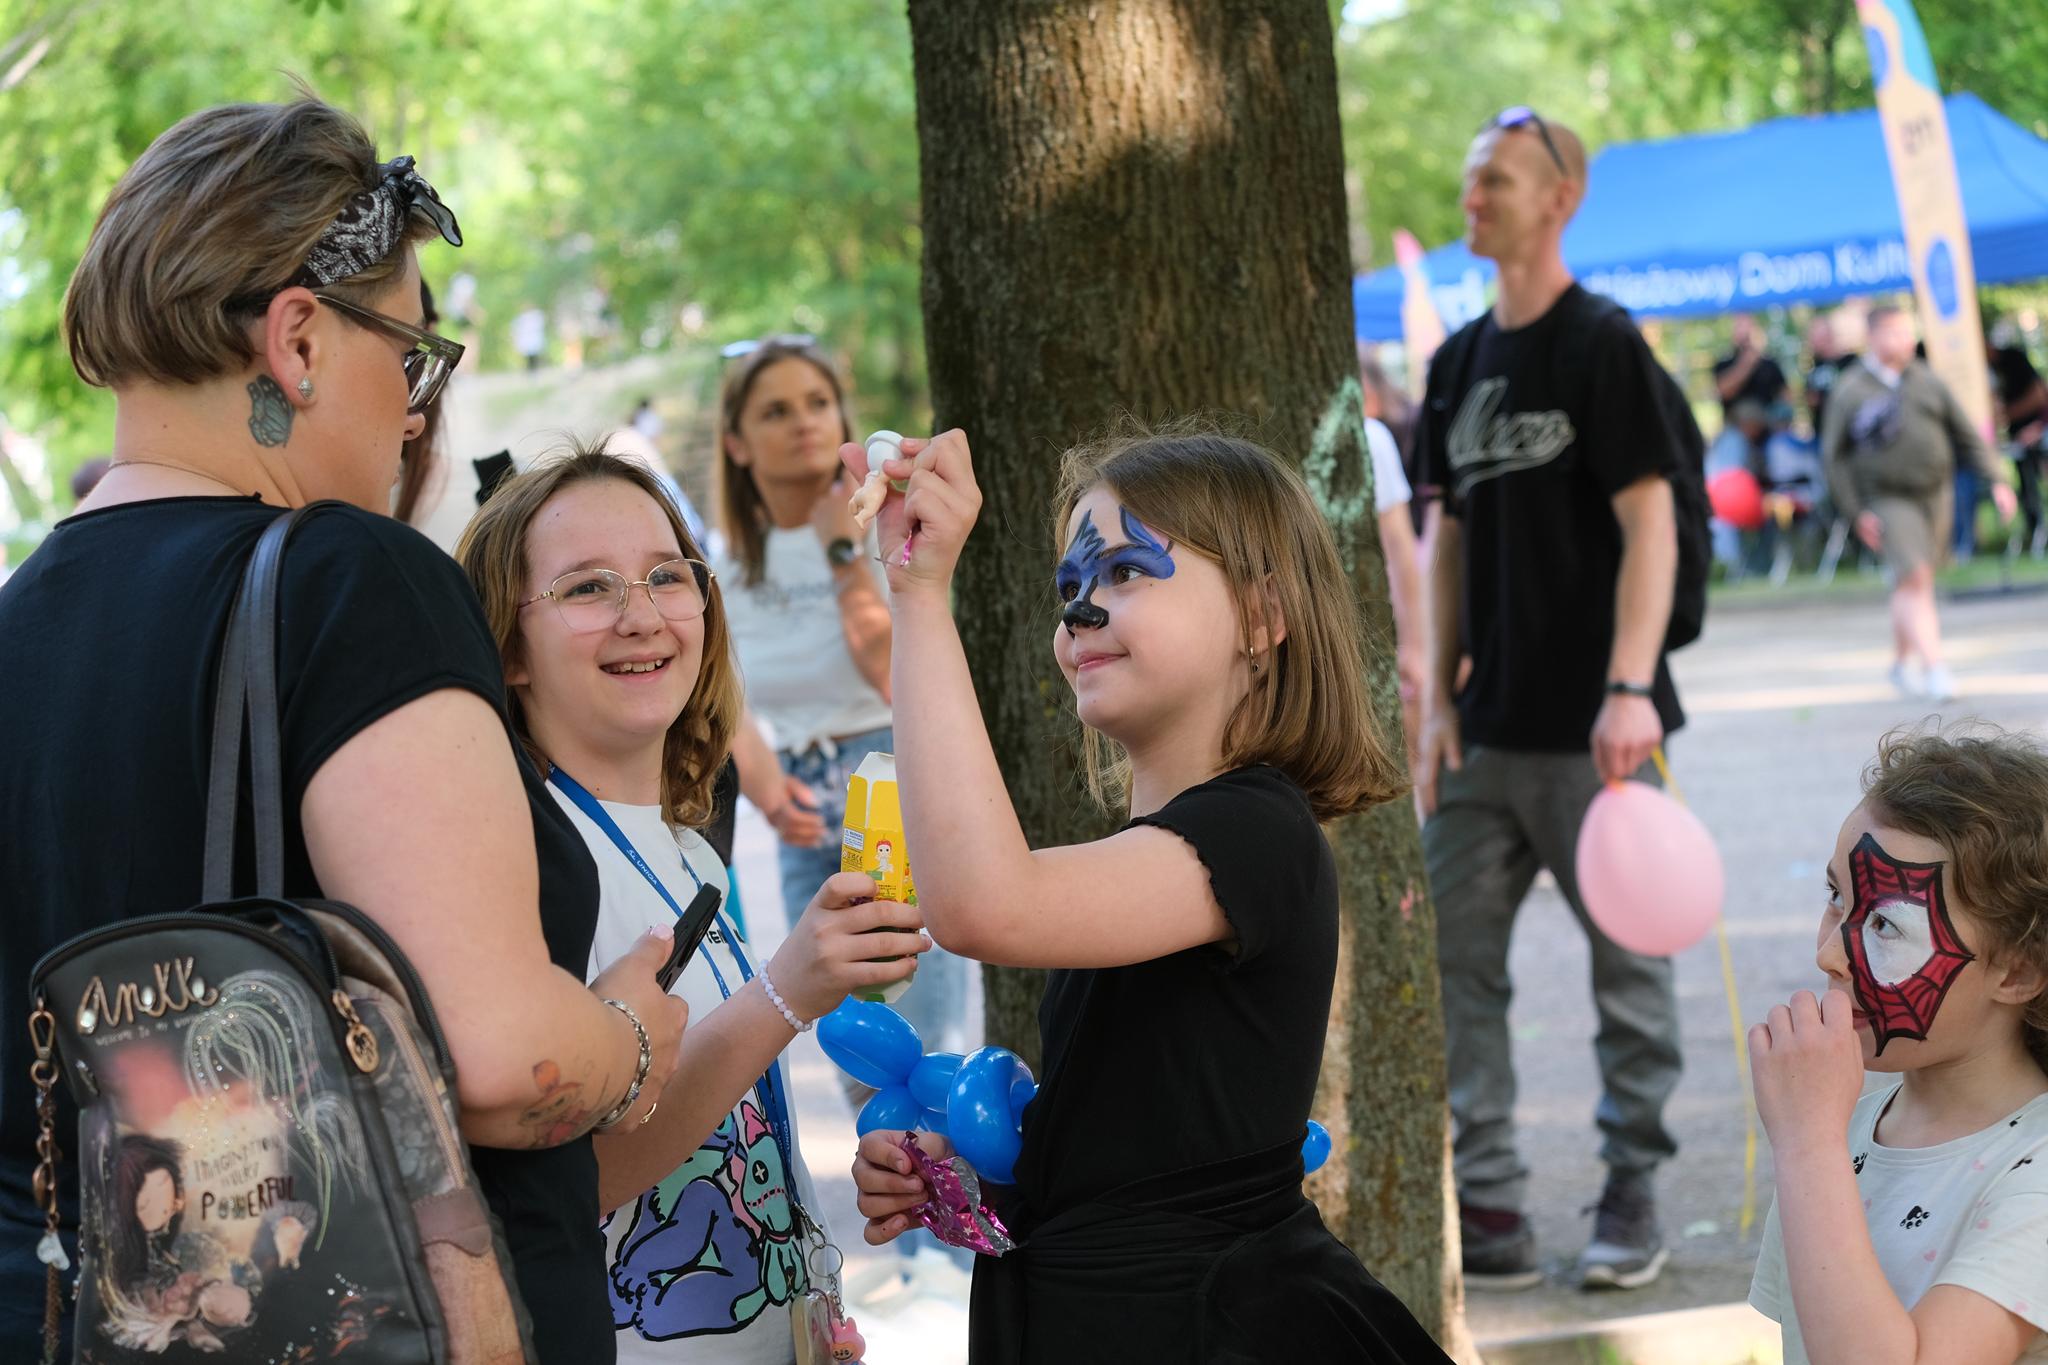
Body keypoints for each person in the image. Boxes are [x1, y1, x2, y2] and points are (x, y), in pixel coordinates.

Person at [0, 97, 686, 1362]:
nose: (415, 411)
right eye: (410, 354)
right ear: (299, 340)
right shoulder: (346, 582)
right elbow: (502, 1067)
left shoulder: (17, 622)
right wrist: (630, 1037)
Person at [846, 425, 1451, 1363]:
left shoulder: (1257, 831)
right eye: (1070, 587)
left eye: (1126, 570)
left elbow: (982, 905)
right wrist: (975, 1176)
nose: (1082, 609)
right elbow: (1144, 1142)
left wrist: (920, 597)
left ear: (1262, 616)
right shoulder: (1155, 858)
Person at [457, 443, 928, 1360]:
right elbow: (562, 1182)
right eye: (587, 587)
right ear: (508, 647)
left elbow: (711, 1110)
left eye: (667, 575)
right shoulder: (523, 861)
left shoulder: (684, 848)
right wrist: (786, 990)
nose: (640, 616)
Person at [1414, 107, 1688, 1292]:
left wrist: (1628, 687)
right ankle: (1487, 1202)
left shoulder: (1600, 342)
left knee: (1630, 966)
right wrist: (1434, 696)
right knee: (1451, 962)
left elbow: (1650, 522)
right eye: (1469, 178)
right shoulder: (1453, 362)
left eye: (1496, 179)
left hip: (1599, 732)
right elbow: (1444, 540)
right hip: (1483, 732)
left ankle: (1631, 1189)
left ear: (1559, 198)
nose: (1471, 198)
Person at [1747, 728, 2048, 1365]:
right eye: (1836, 897)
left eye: (1886, 924)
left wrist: (1806, 1145)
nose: (1828, 955)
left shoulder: (2035, 1175)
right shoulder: (1841, 1132)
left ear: (2017, 972)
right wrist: (1815, 1141)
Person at [713, 338, 970, 1061]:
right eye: (776, 410)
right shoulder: (727, 567)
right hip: (802, 797)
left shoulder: (886, 530)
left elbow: (890, 674)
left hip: (891, 780)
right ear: (736, 443)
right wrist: (766, 790)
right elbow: (717, 691)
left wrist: (840, 553)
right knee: (844, 1037)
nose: (804, 421)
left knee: (917, 1041)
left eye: (818, 403)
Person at [1820, 305, 2016, 702]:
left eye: (1908, 332)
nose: (1905, 340)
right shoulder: (1851, 388)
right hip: (1885, 497)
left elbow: (1966, 435)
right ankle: (1935, 667)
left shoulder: (1926, 379)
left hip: (1934, 493)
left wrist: (1997, 480)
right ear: (1873, 337)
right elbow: (1833, 457)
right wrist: (1856, 511)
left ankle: (1899, 664)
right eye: (1894, 332)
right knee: (1916, 577)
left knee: (1910, 581)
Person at [1988, 322, 2046, 554]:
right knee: (2028, 484)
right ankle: (2036, 530)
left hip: (2038, 431)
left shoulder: (2013, 360)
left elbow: (2041, 396)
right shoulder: (1991, 370)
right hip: (2021, 438)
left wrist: (2038, 426)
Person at [1715, 314, 1791, 420]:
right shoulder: (1724, 363)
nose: (1744, 332)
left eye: (1748, 327)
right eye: (1739, 327)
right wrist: (1747, 363)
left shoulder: (1769, 364)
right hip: (1735, 423)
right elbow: (1724, 392)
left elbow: (1785, 395)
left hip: (1767, 422)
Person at [1803, 314, 1855, 439]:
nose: (1812, 341)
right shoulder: (1814, 367)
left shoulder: (1852, 361)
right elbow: (1810, 400)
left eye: (1816, 335)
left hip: (1851, 430)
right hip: (1825, 432)